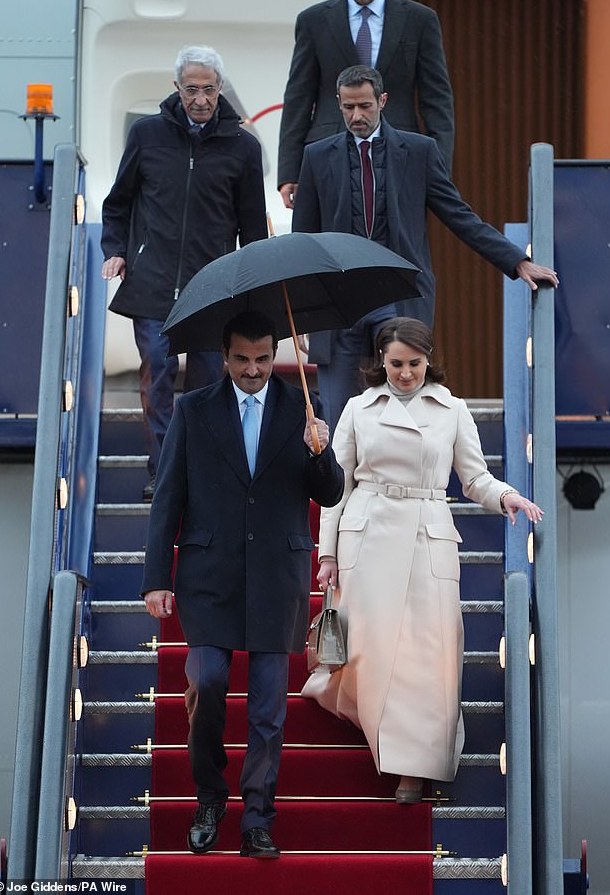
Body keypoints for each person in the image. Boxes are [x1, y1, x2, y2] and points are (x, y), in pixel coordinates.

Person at [302, 317, 544, 803]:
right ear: (380, 363)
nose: (406, 373)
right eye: (396, 364)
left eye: (414, 363)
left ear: (429, 360)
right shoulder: (358, 408)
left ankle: (417, 767)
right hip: (366, 535)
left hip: (427, 533)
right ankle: (383, 737)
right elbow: (337, 487)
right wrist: (326, 552)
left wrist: (507, 497)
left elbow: (474, 478)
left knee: (429, 652)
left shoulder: (452, 409)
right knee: (373, 651)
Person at [141, 310, 344, 858]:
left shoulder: (305, 408)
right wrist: (156, 578)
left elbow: (328, 494)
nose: (253, 370)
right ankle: (210, 796)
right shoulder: (192, 409)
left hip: (278, 575)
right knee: (205, 681)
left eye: (261, 359)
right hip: (209, 575)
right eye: (241, 360)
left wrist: (321, 452)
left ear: (274, 353)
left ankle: (257, 817)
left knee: (267, 710)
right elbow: (169, 497)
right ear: (225, 356)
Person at [292, 65, 559, 431]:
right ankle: (341, 489)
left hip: (397, 293)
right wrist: (306, 313)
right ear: (338, 103)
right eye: (349, 107)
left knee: (403, 407)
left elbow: (458, 215)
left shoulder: (418, 151)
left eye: (365, 106)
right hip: (338, 300)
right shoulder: (317, 156)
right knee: (338, 411)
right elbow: (303, 239)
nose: (357, 116)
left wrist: (516, 261)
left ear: (382, 101)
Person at [101, 45, 268, 501]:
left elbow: (252, 226)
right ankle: (162, 471)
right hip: (151, 281)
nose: (200, 98)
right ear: (177, 88)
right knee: (157, 368)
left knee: (209, 382)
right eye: (191, 89)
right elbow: (117, 204)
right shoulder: (147, 135)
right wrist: (115, 250)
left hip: (211, 288)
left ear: (220, 90)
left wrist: (256, 286)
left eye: (208, 89)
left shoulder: (243, 147)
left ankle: (199, 472)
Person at [277, 0, 454, 208]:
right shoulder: (313, 20)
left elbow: (437, 100)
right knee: (333, 240)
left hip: (399, 154)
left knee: (397, 239)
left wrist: (437, 171)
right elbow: (298, 97)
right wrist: (289, 171)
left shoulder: (419, 19)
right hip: (331, 154)